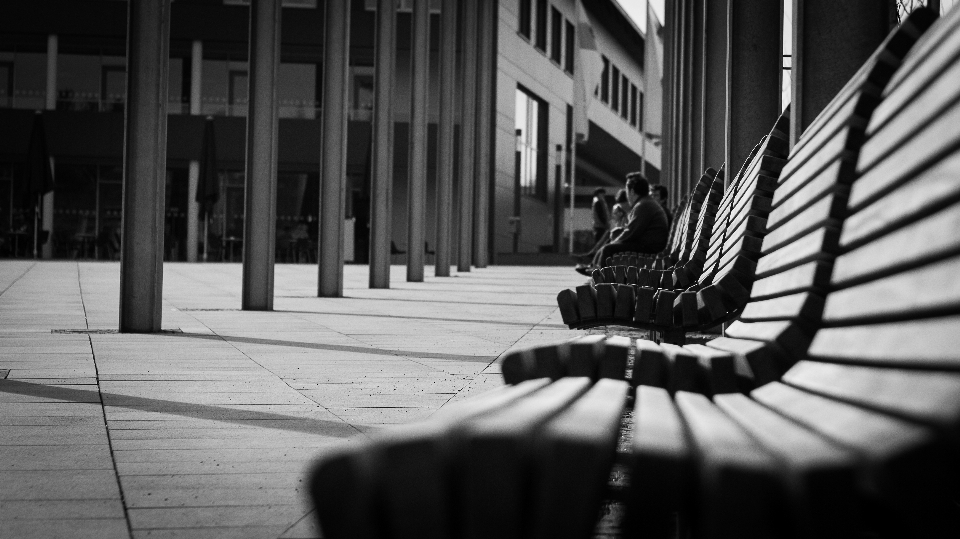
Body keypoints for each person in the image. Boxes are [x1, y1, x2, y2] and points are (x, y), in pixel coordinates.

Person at [576, 172, 668, 275]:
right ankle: (595, 268)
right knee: (612, 241)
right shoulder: (646, 202)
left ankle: (601, 279)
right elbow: (632, 230)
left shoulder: (643, 205)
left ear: (632, 191)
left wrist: (615, 240)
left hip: (649, 248)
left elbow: (631, 232)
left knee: (608, 248)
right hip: (650, 244)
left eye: (627, 190)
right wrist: (617, 236)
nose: (627, 195)